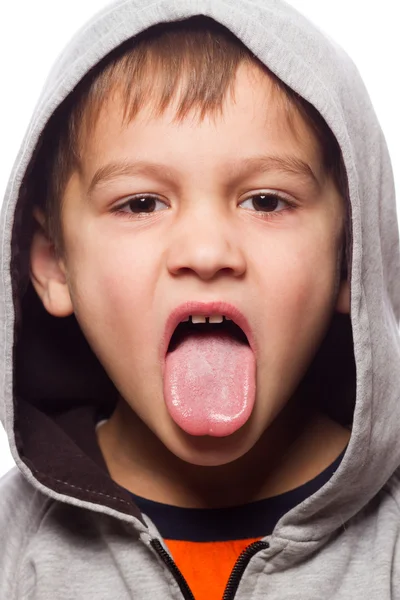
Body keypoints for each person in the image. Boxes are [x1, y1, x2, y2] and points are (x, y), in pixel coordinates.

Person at [0, 0, 399, 598]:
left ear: (351, 256)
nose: (208, 251)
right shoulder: (15, 551)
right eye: (141, 203)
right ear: (56, 265)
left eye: (266, 201)